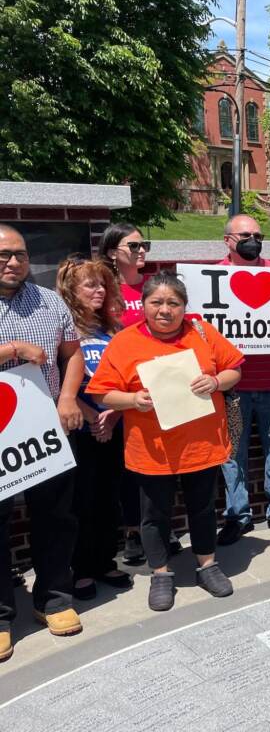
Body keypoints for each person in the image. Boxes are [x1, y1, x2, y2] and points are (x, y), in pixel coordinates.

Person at [86, 272, 242, 611]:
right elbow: (101, 392)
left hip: (202, 445)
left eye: (174, 303)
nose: (165, 310)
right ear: (142, 305)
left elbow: (234, 370)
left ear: (184, 306)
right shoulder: (125, 342)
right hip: (152, 450)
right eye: (156, 302)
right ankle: (161, 574)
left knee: (202, 509)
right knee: (154, 515)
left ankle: (207, 564)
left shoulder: (201, 332)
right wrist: (132, 401)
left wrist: (215, 382)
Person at [0, 225, 85, 661]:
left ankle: (52, 597)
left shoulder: (50, 302)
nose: (12, 262)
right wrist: (12, 347)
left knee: (56, 515)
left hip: (44, 429)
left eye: (19, 254)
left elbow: (73, 355)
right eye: (3, 254)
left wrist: (68, 396)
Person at [215, 214, 270, 545]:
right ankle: (238, 514)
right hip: (232, 388)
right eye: (245, 234)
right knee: (232, 452)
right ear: (228, 241)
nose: (253, 240)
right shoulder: (213, 278)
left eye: (258, 235)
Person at [55, 256, 134, 600]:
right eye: (90, 284)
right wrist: (90, 415)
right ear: (71, 290)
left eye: (103, 284)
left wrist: (114, 414)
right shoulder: (62, 329)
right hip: (78, 429)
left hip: (113, 425)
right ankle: (81, 568)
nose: (100, 290)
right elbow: (57, 382)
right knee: (80, 501)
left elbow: (127, 378)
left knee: (108, 498)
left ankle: (104, 560)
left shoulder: (112, 330)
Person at [96, 222, 151, 563]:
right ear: (113, 252)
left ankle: (156, 528)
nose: (142, 250)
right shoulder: (103, 291)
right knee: (123, 470)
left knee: (154, 467)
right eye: (133, 246)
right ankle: (133, 532)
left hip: (153, 395)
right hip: (117, 395)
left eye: (144, 245)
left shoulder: (153, 288)